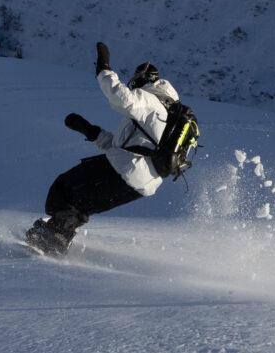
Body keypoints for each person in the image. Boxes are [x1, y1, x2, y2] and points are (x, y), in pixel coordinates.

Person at [23, 43, 186, 257]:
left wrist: (104, 67)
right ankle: (57, 238)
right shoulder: (166, 117)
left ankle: (53, 239)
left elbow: (121, 98)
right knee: (80, 205)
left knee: (63, 188)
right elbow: (127, 147)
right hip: (141, 187)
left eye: (137, 79)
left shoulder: (152, 101)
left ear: (146, 80)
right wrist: (90, 131)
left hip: (126, 170)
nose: (134, 83)